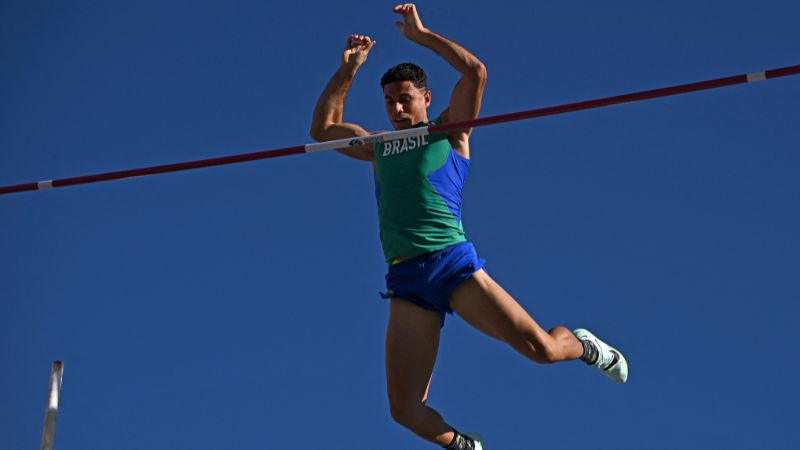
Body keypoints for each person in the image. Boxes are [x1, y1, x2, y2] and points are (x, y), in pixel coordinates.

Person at [310, 4, 628, 449]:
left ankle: (585, 345)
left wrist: (421, 35)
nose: (397, 108)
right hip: (405, 278)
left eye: (405, 98)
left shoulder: (450, 130)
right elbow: (323, 129)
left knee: (542, 350)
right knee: (404, 409)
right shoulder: (379, 147)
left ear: (426, 98)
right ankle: (464, 445)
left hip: (451, 264)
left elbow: (475, 72)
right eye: (389, 101)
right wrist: (348, 70)